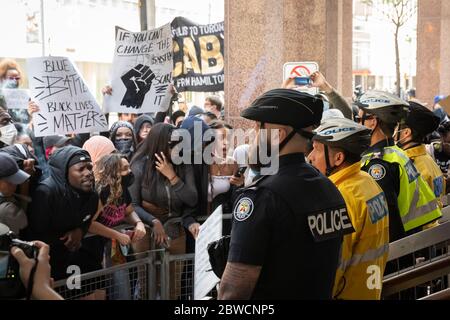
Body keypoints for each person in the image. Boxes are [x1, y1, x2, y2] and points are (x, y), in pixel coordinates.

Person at [218, 89, 354, 300]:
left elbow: (232, 293)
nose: (252, 136)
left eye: (257, 129)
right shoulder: (329, 188)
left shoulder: (261, 197)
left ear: (278, 135)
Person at [309, 118, 389, 300]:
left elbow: (333, 265)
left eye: (318, 149)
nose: (310, 156)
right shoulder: (368, 182)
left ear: (338, 158)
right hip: (368, 291)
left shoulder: (340, 197)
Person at [357, 91, 441, 242]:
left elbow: (387, 221)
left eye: (359, 119)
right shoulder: (397, 154)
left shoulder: (379, 164)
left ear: (373, 122)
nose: (356, 124)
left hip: (397, 250)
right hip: (412, 239)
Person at [26, 146, 98, 280]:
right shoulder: (46, 193)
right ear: (65, 172)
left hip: (73, 261)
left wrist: (80, 231)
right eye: (81, 169)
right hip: (45, 262)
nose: (88, 173)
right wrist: (66, 238)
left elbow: (87, 219)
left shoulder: (92, 195)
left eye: (89, 167)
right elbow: (36, 232)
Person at [87, 153, 146, 271]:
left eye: (129, 167)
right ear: (113, 172)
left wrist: (138, 223)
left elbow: (128, 212)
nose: (129, 172)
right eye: (124, 169)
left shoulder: (123, 189)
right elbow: (90, 224)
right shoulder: (101, 191)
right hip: (94, 248)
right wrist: (117, 235)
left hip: (114, 246)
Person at [395, 101, 445, 208]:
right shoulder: (429, 160)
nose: (392, 131)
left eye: (395, 126)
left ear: (406, 133)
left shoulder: (408, 166)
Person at [0, 153, 30, 234]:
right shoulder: (7, 209)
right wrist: (25, 189)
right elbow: (23, 224)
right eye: (10, 182)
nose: (15, 185)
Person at [0, 59, 30, 124]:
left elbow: (26, 118)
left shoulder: (24, 95)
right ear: (2, 78)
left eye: (17, 78)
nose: (14, 80)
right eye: (11, 78)